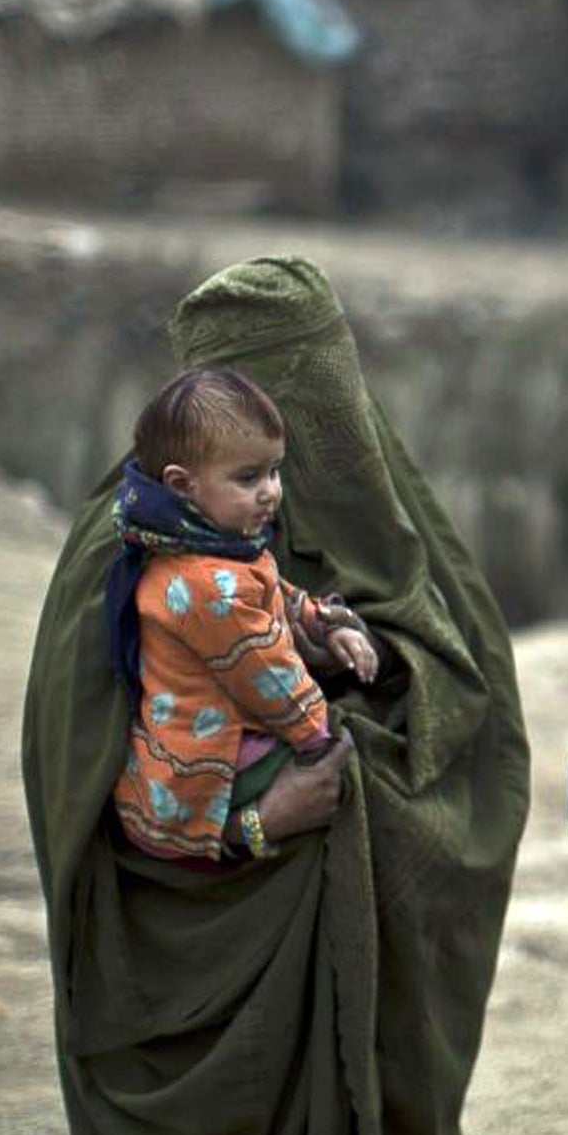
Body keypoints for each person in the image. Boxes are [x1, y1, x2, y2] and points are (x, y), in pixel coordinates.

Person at [21, 256, 530, 1135]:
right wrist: (254, 822)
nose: (273, 489)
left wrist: (370, 703)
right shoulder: (114, 555)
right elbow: (76, 785)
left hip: (358, 968)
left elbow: (469, 706)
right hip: (190, 974)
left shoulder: (395, 526)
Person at [104, 364, 378, 862]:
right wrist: (318, 739)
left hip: (218, 738)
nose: (271, 491)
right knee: (356, 775)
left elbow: (272, 586)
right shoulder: (207, 583)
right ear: (182, 484)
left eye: (274, 471)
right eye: (249, 477)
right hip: (209, 766)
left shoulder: (207, 542)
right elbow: (266, 673)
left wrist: (321, 621)